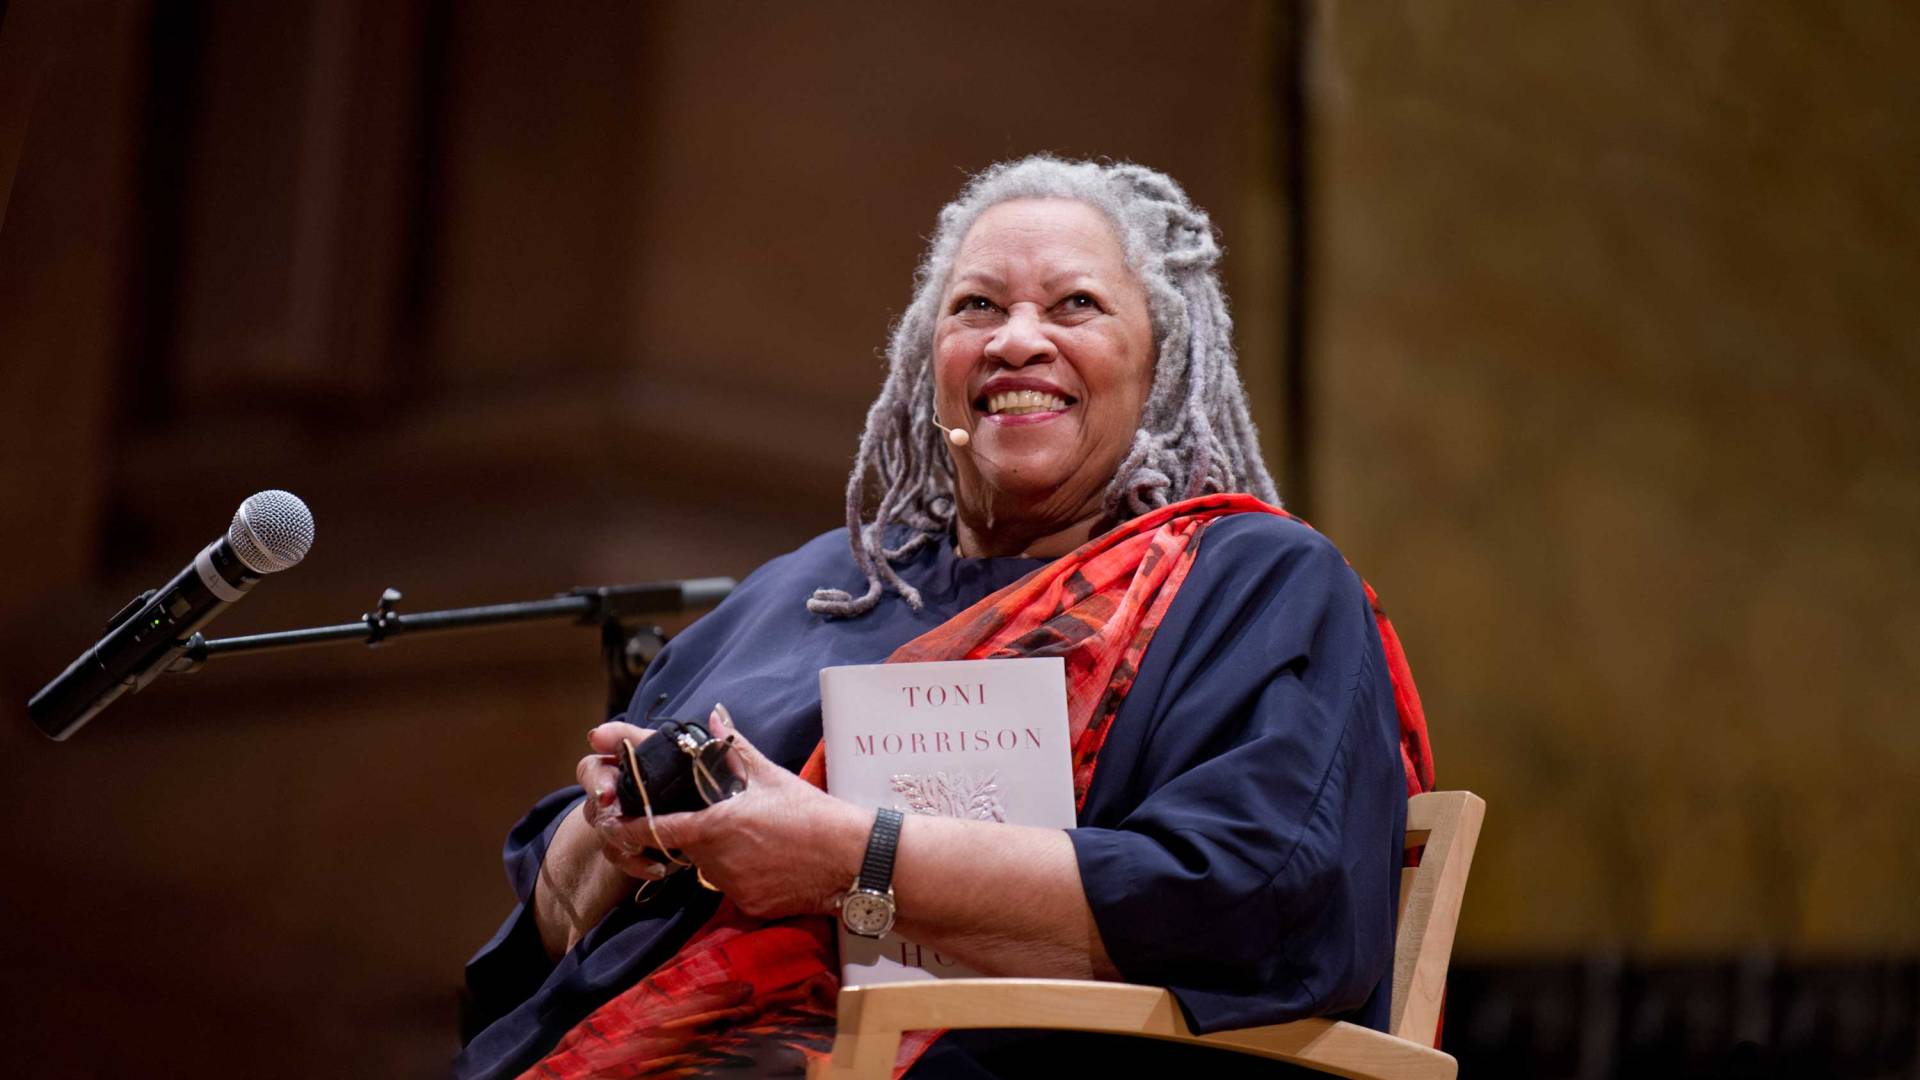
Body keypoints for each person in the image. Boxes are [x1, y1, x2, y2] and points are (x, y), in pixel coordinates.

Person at [457, 156, 1432, 1079]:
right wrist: (612, 834)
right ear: (932, 370)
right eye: (976, 307)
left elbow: (1258, 894)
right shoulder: (817, 585)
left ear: (1163, 368)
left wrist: (854, 860)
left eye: (1075, 306)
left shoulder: (1252, 584)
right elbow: (541, 933)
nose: (1016, 338)